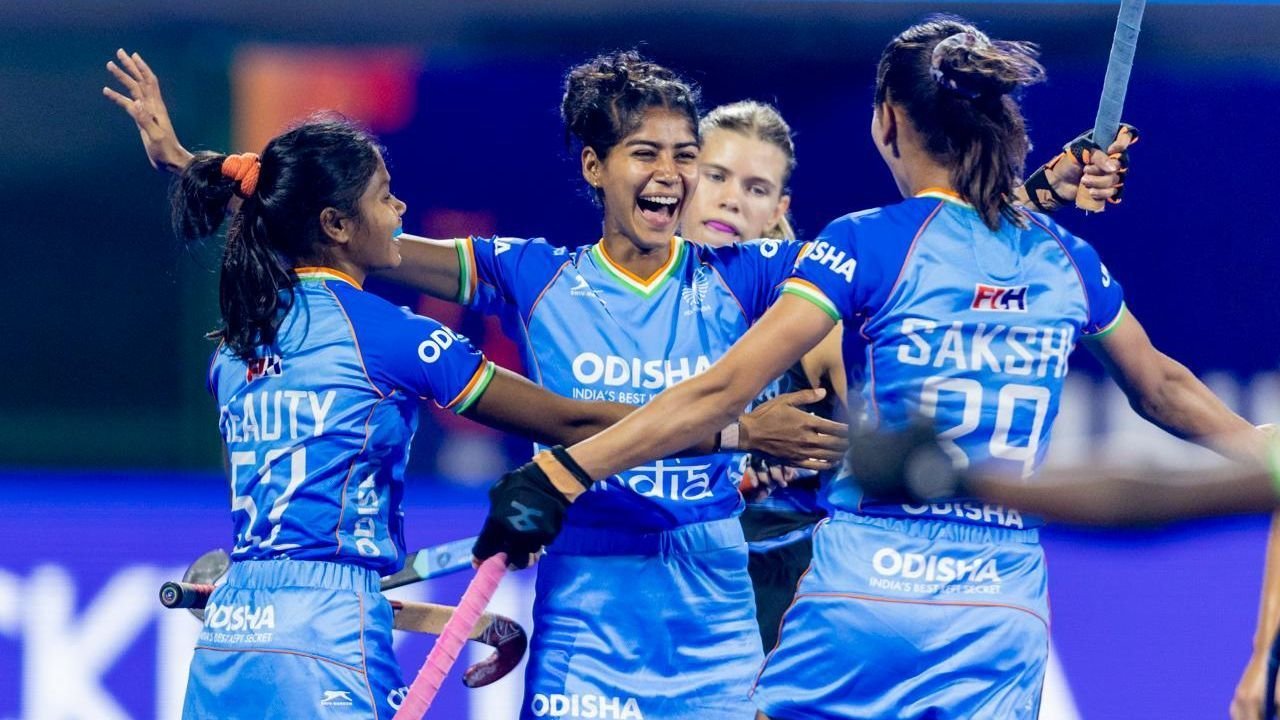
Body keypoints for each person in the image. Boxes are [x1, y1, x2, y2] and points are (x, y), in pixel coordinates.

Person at [474, 18, 1265, 719]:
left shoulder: (866, 241)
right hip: (999, 612)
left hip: (861, 596)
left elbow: (720, 390)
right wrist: (1259, 452)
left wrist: (564, 472)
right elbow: (1162, 389)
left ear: (887, 122)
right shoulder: (1067, 260)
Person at [107, 48, 847, 719]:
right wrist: (739, 433)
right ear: (595, 167)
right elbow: (365, 240)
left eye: (688, 157)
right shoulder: (533, 274)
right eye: (646, 153)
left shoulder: (746, 276)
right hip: (586, 613)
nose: (673, 174)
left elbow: (865, 282)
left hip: (711, 610)